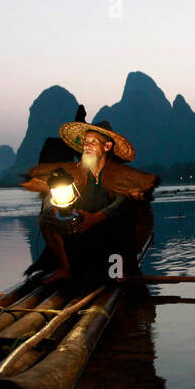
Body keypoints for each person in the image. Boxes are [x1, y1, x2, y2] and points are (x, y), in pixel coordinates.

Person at [21, 120, 159, 283]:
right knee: (45, 220)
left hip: (113, 236)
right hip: (86, 232)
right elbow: (55, 192)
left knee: (122, 224)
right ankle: (67, 268)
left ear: (107, 147)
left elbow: (123, 202)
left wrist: (96, 217)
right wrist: (53, 207)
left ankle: (119, 270)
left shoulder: (118, 174)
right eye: (85, 143)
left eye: (93, 142)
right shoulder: (78, 173)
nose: (87, 146)